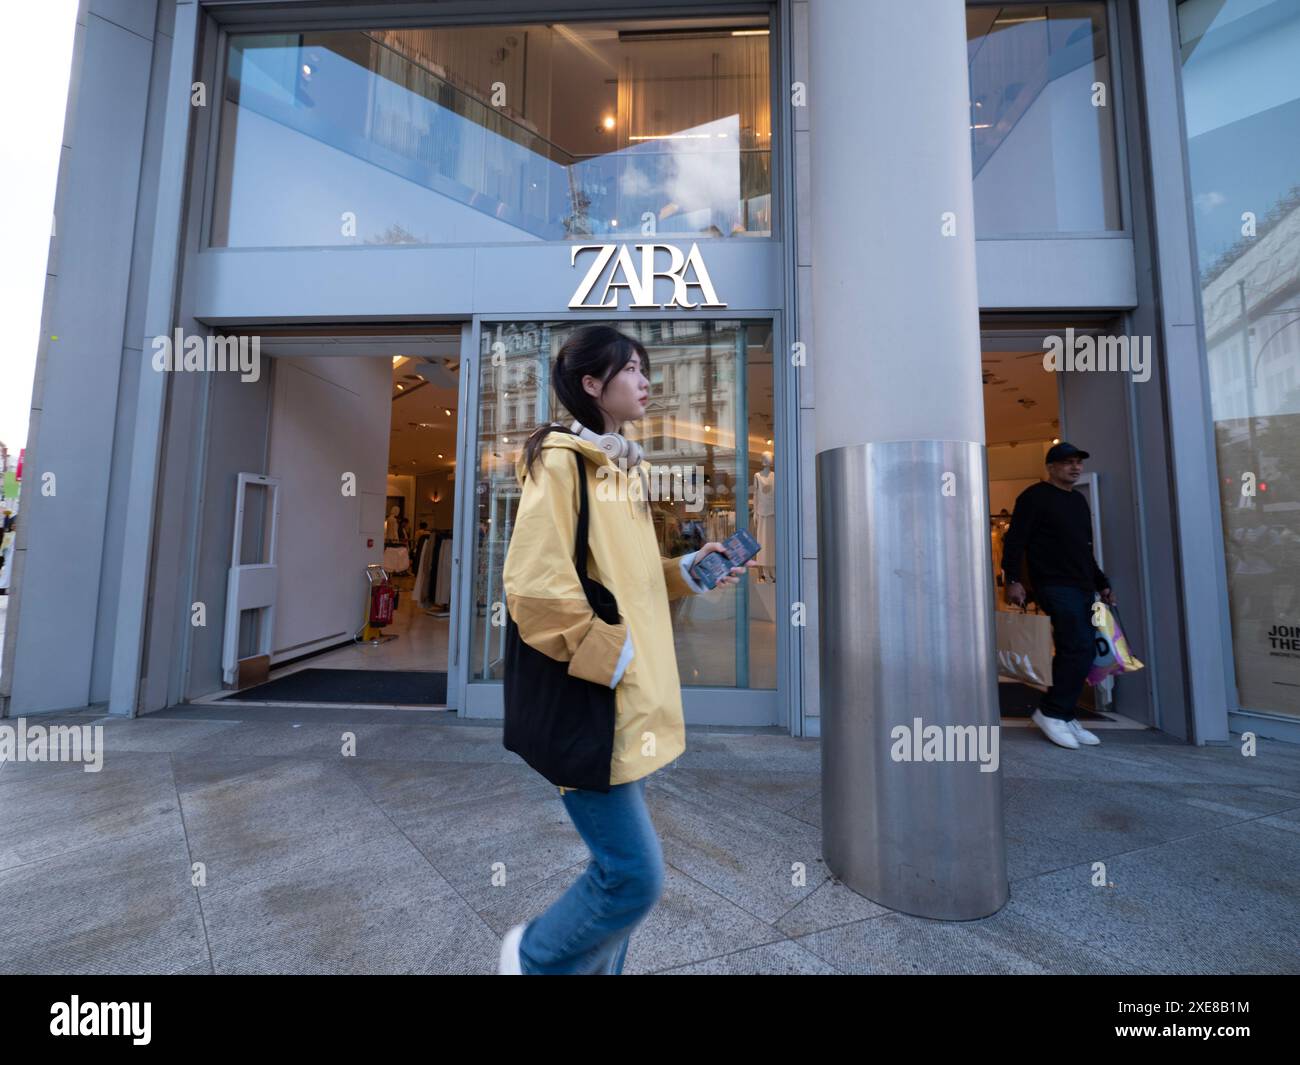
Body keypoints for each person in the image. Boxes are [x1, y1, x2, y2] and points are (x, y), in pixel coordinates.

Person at [496, 324, 754, 975]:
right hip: (592, 704)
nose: (646, 381)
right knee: (632, 878)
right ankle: (530, 957)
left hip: (624, 702)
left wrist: (688, 566)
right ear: (592, 383)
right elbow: (533, 587)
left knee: (617, 878)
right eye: (632, 369)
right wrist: (605, 655)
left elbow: (630, 575)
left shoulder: (620, 467)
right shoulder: (562, 461)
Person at [1001, 442, 1117, 750]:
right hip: (1053, 585)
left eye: (1078, 463)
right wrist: (1011, 579)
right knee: (1076, 646)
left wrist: (1102, 583)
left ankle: (1063, 713)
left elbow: (1084, 550)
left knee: (1082, 650)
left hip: (1082, 586)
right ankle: (1051, 711)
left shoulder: (1078, 501)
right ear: (1051, 467)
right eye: (1067, 463)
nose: (1075, 467)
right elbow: (1015, 541)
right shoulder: (1034, 497)